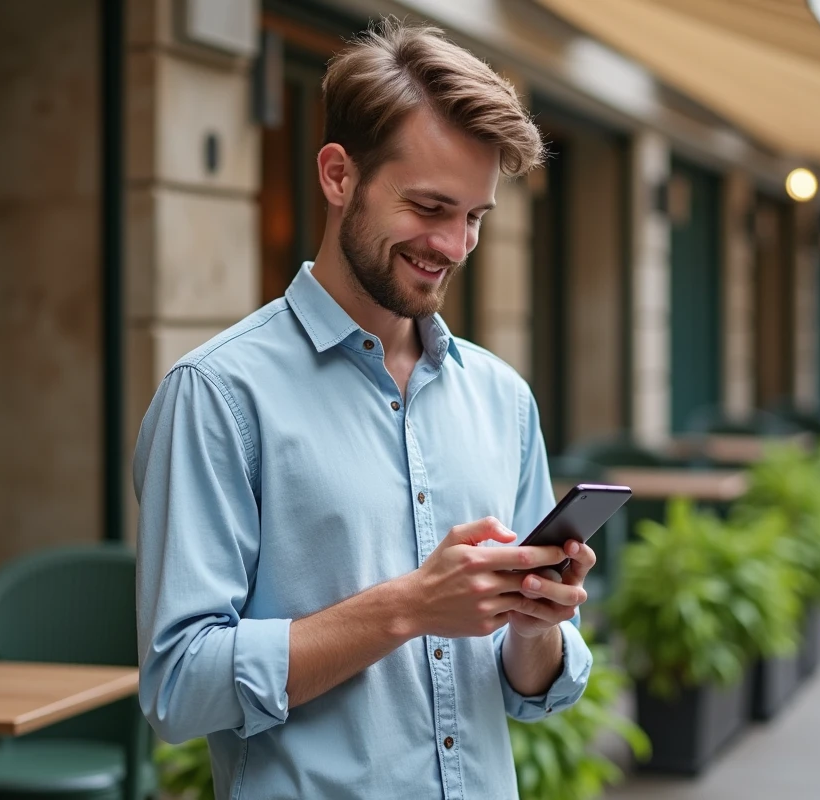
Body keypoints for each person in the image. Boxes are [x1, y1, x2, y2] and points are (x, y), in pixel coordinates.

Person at [133, 19, 595, 799]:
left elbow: (532, 688)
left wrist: (537, 619)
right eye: (429, 207)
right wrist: (410, 605)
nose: (453, 245)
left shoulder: (503, 399)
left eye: (475, 217)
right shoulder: (216, 395)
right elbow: (178, 687)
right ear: (339, 175)